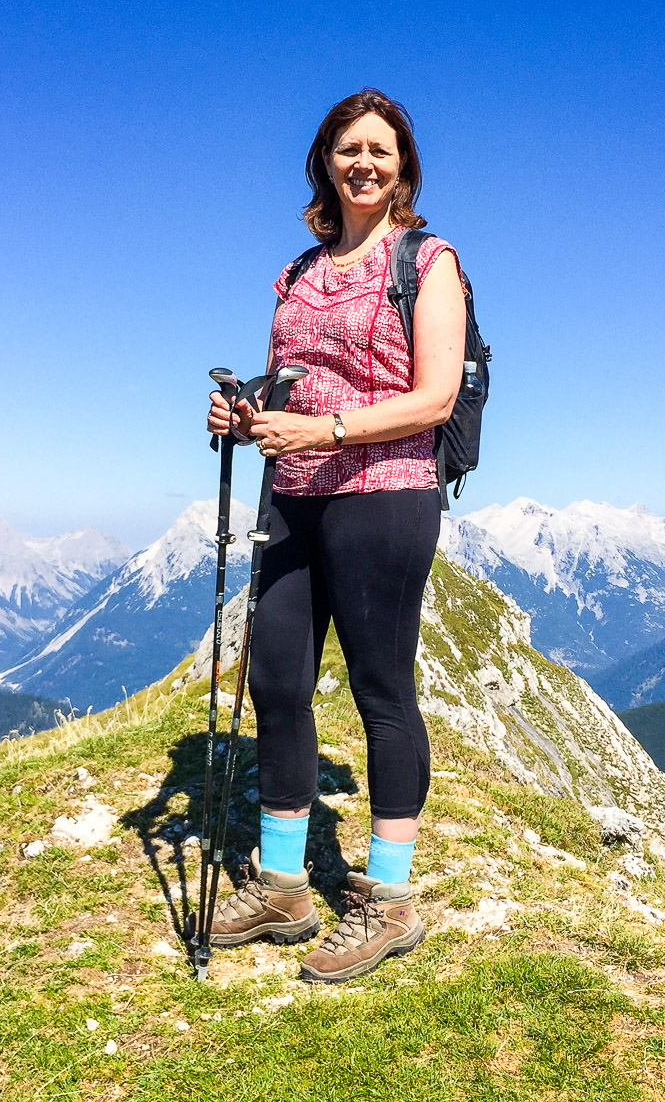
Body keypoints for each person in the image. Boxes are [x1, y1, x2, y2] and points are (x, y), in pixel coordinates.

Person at [204, 89, 467, 983]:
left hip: (385, 494)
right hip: (296, 492)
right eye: (349, 149)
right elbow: (293, 385)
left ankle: (390, 902)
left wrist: (325, 432)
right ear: (325, 160)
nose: (365, 163)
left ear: (403, 168)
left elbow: (433, 398)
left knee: (382, 692)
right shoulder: (298, 272)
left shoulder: (428, 262)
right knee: (278, 679)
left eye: (381, 151)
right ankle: (284, 886)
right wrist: (247, 415)